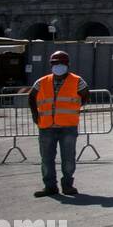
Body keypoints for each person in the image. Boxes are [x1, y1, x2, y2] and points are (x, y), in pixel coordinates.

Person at [28, 50, 89, 197]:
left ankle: (67, 185)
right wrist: (35, 115)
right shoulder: (42, 82)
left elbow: (85, 96)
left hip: (68, 127)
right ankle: (50, 187)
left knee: (68, 158)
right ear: (51, 65)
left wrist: (73, 109)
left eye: (61, 63)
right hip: (46, 127)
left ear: (67, 64)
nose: (58, 66)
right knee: (46, 159)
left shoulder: (77, 81)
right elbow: (31, 97)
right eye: (55, 63)